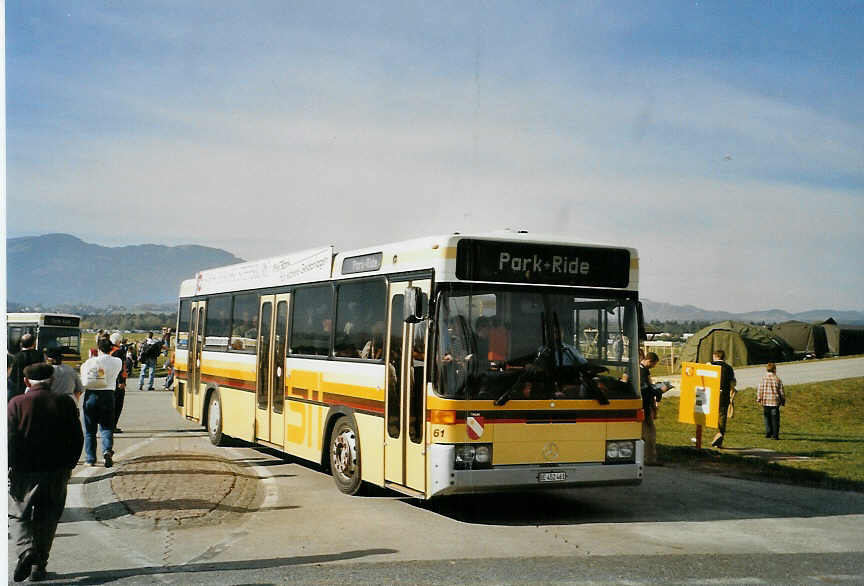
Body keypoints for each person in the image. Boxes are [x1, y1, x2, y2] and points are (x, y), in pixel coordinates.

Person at [8, 362, 84, 582]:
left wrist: (11, 465)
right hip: (56, 471)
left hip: (24, 470)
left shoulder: (16, 403)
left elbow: (10, 439)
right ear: (51, 380)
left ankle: (25, 550)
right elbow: (76, 438)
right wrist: (69, 464)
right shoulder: (65, 403)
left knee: (17, 513)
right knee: (48, 517)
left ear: (25, 381)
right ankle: (38, 567)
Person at [80, 337, 123, 467]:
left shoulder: (90, 362)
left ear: (98, 348)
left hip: (91, 394)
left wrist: (91, 358)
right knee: (106, 427)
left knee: (90, 430)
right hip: (108, 394)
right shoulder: (117, 361)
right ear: (111, 348)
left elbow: (83, 376)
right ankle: (107, 450)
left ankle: (90, 458)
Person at [639, 351, 670, 466]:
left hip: (643, 405)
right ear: (649, 361)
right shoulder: (642, 372)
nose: (654, 367)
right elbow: (646, 390)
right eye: (653, 364)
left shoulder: (641, 370)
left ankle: (643, 456)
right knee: (650, 432)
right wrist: (660, 391)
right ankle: (650, 458)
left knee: (642, 432)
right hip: (644, 405)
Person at [710, 349, 737, 448]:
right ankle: (719, 434)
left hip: (711, 394)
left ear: (715, 356)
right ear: (723, 357)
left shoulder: (710, 366)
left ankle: (715, 433)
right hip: (724, 395)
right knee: (722, 416)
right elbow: (733, 383)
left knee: (710, 415)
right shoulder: (729, 368)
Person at [8, 333, 43, 402]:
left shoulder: (16, 357)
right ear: (34, 343)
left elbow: (12, 376)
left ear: (21, 344)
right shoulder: (40, 355)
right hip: (35, 389)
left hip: (19, 390)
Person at [757, 362, 786, 440]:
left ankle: (768, 432)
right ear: (774, 369)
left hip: (765, 401)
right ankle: (775, 435)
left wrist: (759, 398)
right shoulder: (777, 379)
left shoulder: (763, 379)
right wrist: (783, 400)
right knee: (775, 419)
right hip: (775, 401)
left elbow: (760, 389)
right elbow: (781, 391)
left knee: (767, 417)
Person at [109, 332, 129, 432]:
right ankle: (113, 426)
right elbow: (120, 367)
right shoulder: (119, 352)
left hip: (109, 381)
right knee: (118, 404)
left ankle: (108, 425)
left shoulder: (108, 350)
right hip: (118, 381)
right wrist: (121, 381)